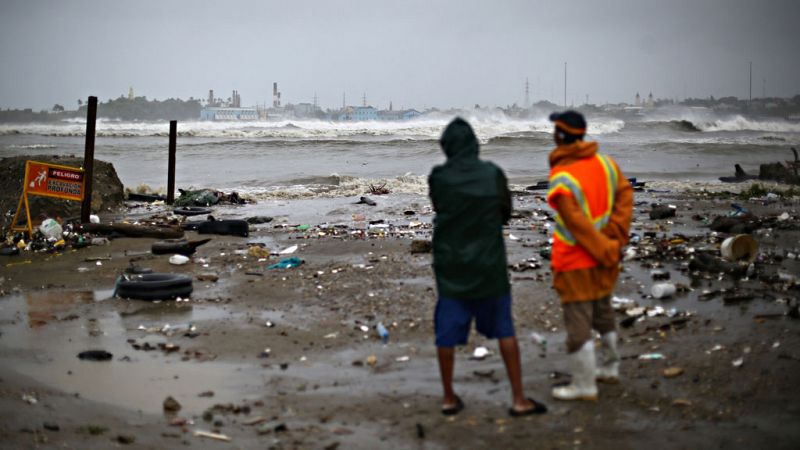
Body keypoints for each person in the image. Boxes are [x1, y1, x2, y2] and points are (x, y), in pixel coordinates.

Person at [429, 117, 547, 417]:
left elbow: (440, 207)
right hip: (488, 264)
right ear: (474, 144)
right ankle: (519, 399)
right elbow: (505, 211)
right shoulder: (492, 174)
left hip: (452, 265)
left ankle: (448, 398)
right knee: (504, 329)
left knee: (446, 333)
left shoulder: (439, 177)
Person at [545, 111, 633, 401]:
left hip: (576, 261)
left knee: (578, 320)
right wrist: (615, 237)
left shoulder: (563, 176)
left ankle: (584, 385)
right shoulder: (607, 165)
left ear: (561, 135)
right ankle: (610, 367)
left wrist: (603, 247)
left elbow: (576, 224)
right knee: (603, 311)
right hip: (605, 257)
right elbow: (625, 198)